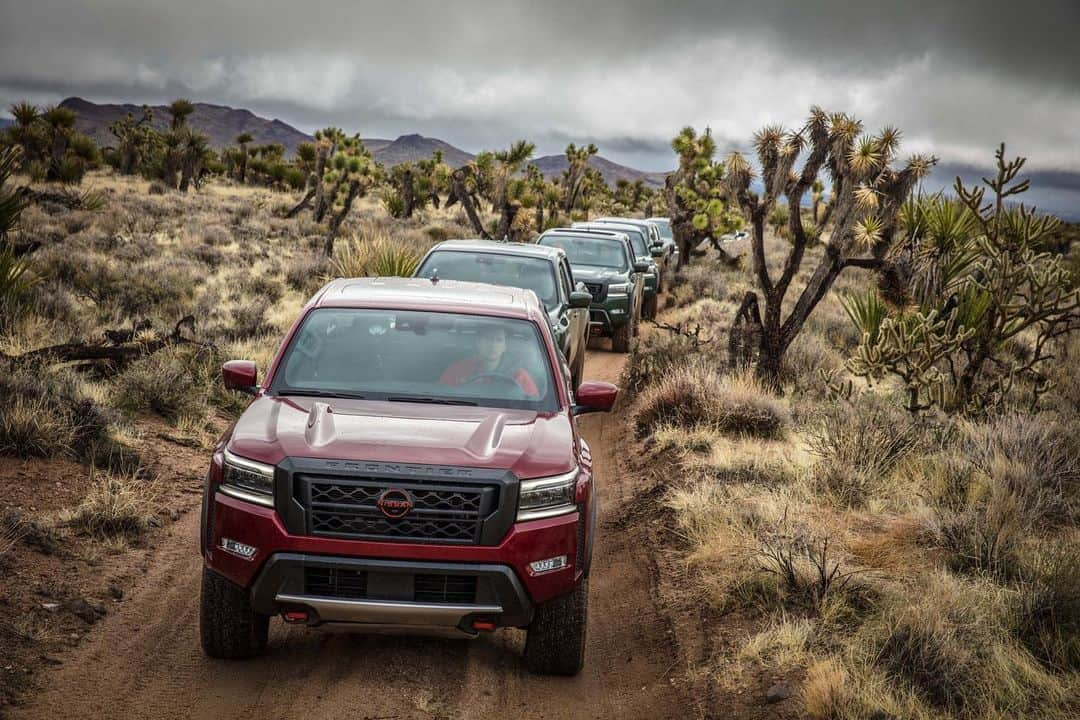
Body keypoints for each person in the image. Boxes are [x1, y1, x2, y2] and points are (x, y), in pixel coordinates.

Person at [439, 324, 539, 396]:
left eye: (499, 340)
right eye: (488, 338)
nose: (493, 345)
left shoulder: (519, 376)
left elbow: (533, 408)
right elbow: (441, 397)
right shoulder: (458, 370)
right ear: (478, 342)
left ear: (505, 346)